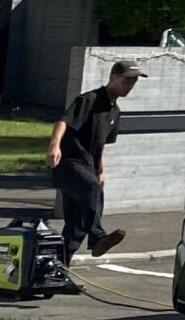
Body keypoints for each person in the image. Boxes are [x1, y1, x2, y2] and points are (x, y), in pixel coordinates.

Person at [48, 60, 140, 260]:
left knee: (77, 222)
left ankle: (60, 266)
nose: (130, 85)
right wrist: (54, 146)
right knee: (92, 188)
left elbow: (101, 144)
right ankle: (97, 237)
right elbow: (63, 121)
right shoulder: (89, 99)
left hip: (88, 166)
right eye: (126, 80)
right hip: (69, 163)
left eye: (133, 82)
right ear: (113, 78)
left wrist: (101, 170)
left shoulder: (115, 112)